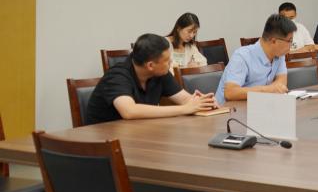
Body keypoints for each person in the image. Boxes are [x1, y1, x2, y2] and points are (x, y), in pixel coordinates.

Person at [85, 34, 218, 124]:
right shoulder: (117, 76)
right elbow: (129, 111)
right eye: (167, 60)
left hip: (135, 134)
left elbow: (184, 99)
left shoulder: (160, 72)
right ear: (150, 65)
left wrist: (203, 103)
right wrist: (185, 109)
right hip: (102, 144)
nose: (171, 62)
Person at [215, 14, 294, 104]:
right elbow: (230, 93)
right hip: (229, 110)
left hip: (256, 107)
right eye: (289, 41)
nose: (291, 45)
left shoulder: (279, 55)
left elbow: (281, 83)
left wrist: (272, 89)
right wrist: (268, 90)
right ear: (274, 41)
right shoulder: (242, 56)